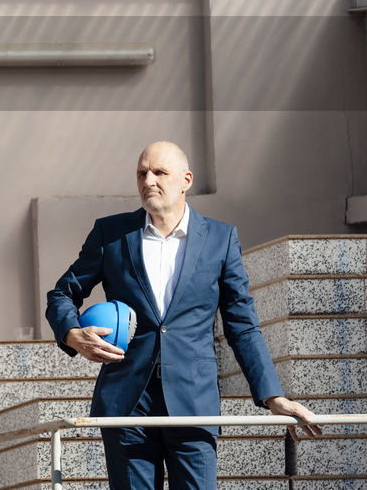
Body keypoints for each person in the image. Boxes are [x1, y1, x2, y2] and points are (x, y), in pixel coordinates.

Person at [46, 141, 321, 489]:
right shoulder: (111, 234)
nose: (148, 180)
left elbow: (242, 325)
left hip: (194, 403)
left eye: (160, 172)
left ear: (186, 180)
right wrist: (71, 333)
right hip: (128, 405)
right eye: (141, 173)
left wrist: (272, 396)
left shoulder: (220, 239)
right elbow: (62, 294)